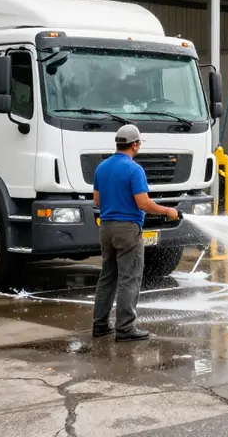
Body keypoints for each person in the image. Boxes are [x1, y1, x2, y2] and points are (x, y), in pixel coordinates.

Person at [92, 123, 179, 342]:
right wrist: (168, 211)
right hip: (128, 229)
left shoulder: (102, 167)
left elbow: (97, 200)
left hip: (106, 227)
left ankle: (100, 325)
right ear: (135, 145)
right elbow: (143, 203)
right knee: (129, 278)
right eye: (139, 143)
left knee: (108, 276)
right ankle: (125, 328)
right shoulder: (134, 169)